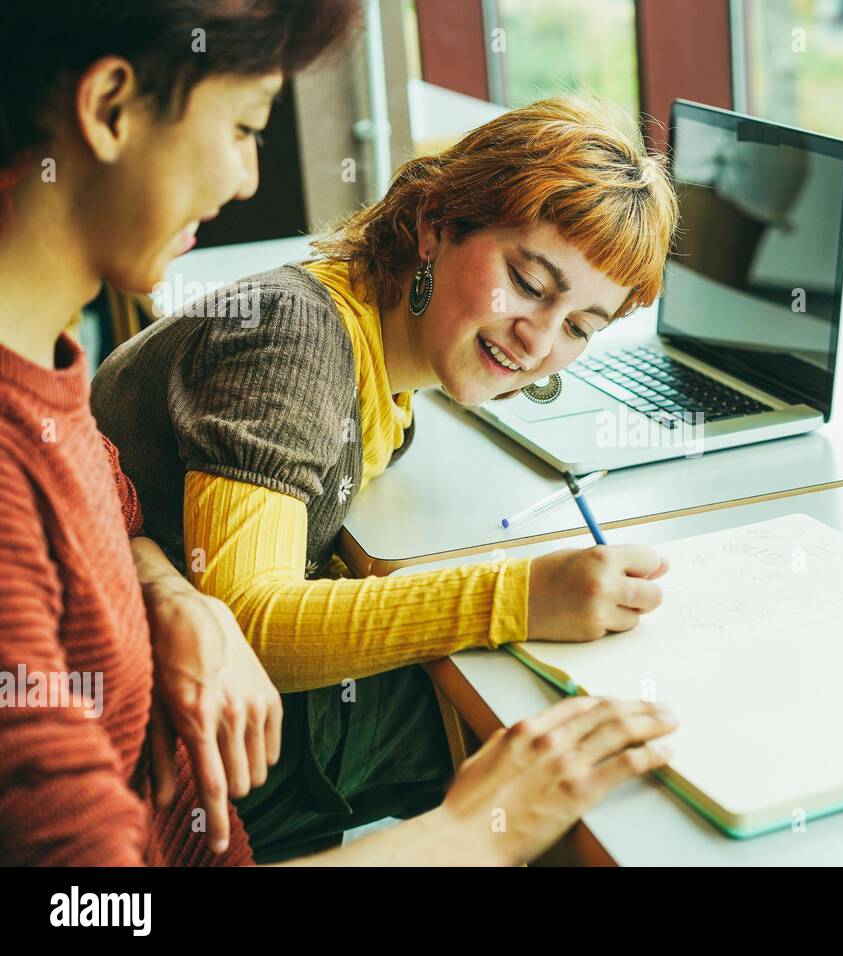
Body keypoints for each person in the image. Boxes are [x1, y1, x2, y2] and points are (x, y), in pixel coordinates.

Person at [0, 0, 675, 867]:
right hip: (197, 780)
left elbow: (109, 495)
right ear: (435, 225)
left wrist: (165, 592)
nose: (541, 342)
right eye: (527, 281)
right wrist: (514, 602)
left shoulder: (57, 365)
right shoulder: (296, 340)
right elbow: (250, 615)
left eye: (582, 327)